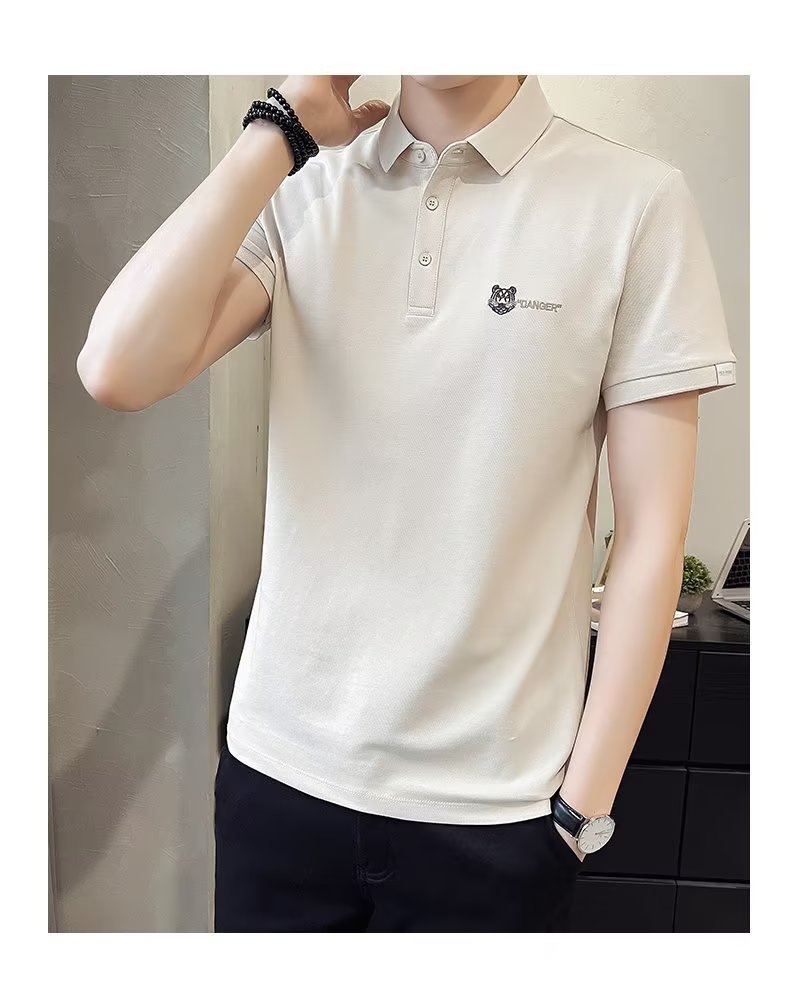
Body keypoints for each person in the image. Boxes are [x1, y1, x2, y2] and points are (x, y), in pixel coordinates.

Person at [78, 75, 737, 932]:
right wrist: (276, 132)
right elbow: (117, 368)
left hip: (495, 810)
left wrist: (582, 810)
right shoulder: (307, 183)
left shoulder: (635, 203)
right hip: (279, 780)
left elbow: (651, 534)